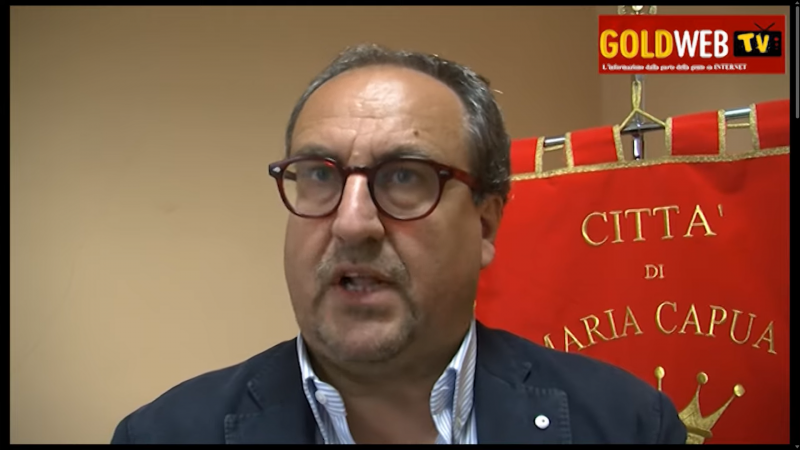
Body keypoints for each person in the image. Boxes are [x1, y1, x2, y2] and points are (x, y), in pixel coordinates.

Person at [110, 43, 687, 445]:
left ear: (485, 226)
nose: (351, 222)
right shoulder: (161, 436)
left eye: (405, 176)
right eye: (320, 175)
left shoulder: (629, 426)